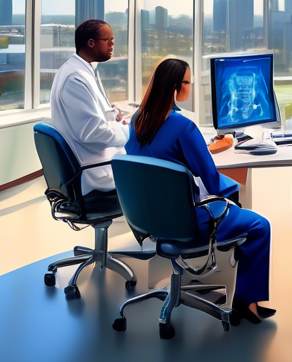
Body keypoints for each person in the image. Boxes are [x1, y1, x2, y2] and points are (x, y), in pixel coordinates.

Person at [126, 58, 273, 325]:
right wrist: (235, 191)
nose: (190, 87)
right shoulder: (183, 127)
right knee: (259, 225)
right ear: (175, 87)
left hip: (148, 219)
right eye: (188, 82)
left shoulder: (137, 121)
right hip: (186, 223)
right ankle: (246, 301)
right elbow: (213, 182)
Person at [49, 19, 129, 195]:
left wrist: (112, 115)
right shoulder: (75, 78)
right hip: (94, 170)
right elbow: (92, 131)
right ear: (91, 43)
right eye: (107, 40)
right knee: (159, 175)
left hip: (93, 158)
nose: (112, 44)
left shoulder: (82, 69)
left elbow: (89, 116)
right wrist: (127, 131)